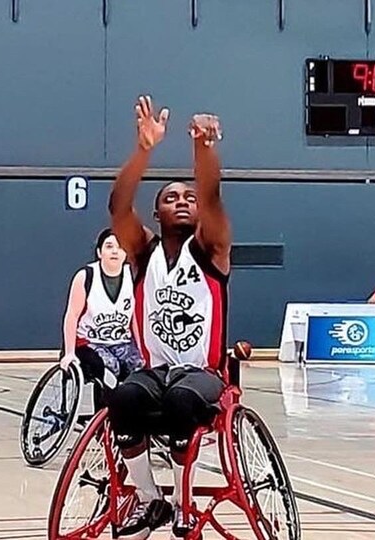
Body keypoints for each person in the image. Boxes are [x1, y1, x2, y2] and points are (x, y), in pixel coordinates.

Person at [106, 95, 232, 538]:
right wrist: (143, 151)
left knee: (181, 401)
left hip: (203, 374)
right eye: (171, 197)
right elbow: (118, 208)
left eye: (188, 198)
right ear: (157, 212)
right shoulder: (145, 253)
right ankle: (149, 498)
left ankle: (182, 499)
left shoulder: (211, 248)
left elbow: (212, 196)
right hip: (155, 370)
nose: (182, 201)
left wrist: (202, 147)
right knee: (123, 398)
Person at [59, 229, 143, 409]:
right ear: (99, 252)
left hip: (121, 341)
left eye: (120, 247)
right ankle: (103, 417)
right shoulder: (86, 276)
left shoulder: (132, 275)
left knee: (139, 368)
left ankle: (133, 417)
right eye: (109, 246)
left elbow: (134, 317)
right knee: (109, 367)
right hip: (89, 343)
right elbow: (72, 315)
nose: (115, 251)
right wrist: (69, 353)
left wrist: (142, 348)